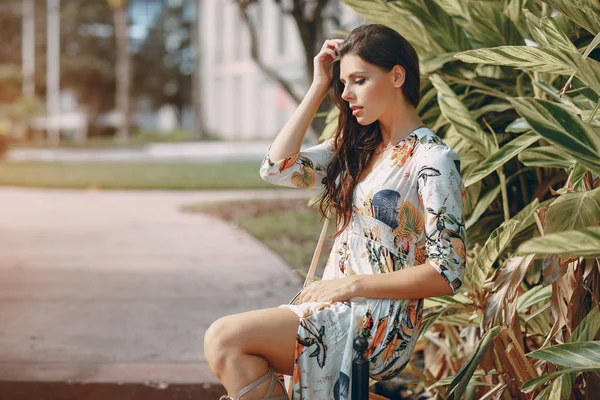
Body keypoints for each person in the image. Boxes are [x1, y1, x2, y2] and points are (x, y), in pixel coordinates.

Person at [204, 23, 466, 400]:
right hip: (331, 305)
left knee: (225, 338)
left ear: (396, 75)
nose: (346, 94)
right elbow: (276, 169)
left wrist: (350, 286)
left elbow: (448, 272)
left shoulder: (433, 159)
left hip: (377, 318)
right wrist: (317, 86)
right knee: (235, 355)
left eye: (359, 80)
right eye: (342, 84)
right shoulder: (355, 147)